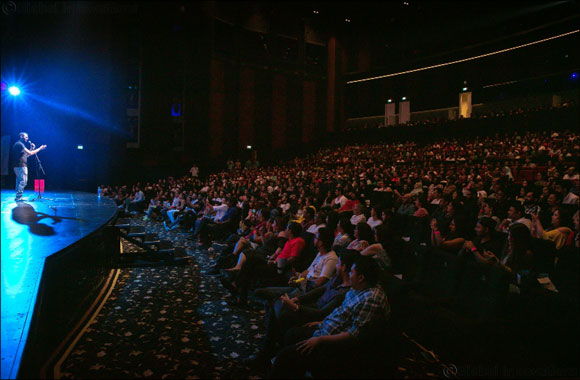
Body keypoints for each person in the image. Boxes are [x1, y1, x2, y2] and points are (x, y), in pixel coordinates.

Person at [269, 255, 391, 378]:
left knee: (284, 358)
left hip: (335, 346)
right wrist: (322, 322)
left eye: (352, 272)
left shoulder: (371, 299)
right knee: (292, 334)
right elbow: (341, 313)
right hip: (326, 328)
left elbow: (354, 336)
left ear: (361, 277)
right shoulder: (358, 288)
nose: (349, 275)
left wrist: (320, 340)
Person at [11, 132, 47, 202]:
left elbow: (27, 155)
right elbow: (30, 153)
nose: (27, 138)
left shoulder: (19, 144)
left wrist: (31, 148)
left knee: (19, 181)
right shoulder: (20, 144)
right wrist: (40, 148)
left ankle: (18, 196)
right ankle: (18, 197)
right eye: (26, 137)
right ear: (21, 136)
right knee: (23, 181)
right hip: (21, 165)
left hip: (18, 166)